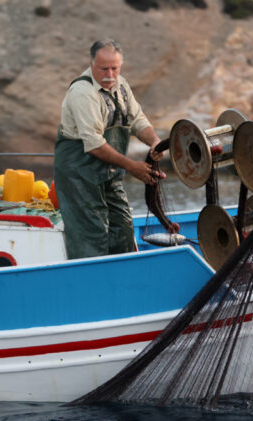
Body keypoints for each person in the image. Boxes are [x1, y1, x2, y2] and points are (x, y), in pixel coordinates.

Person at [53, 39, 165, 260]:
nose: (110, 74)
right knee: (92, 233)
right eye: (104, 68)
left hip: (109, 172)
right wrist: (133, 167)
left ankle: (121, 277)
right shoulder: (83, 93)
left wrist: (154, 142)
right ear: (92, 64)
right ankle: (91, 282)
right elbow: (94, 144)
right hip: (79, 175)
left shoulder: (121, 85)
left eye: (115, 68)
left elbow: (137, 121)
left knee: (123, 227)